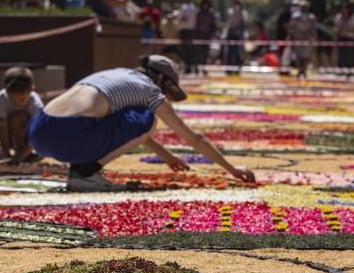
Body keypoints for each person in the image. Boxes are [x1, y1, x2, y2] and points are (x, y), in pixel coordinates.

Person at [27, 55, 256, 192]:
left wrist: (166, 156)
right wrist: (233, 170)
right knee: (148, 119)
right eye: (167, 91)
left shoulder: (118, 74)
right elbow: (192, 138)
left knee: (136, 120)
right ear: (161, 81)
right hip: (70, 135)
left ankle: (82, 170)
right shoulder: (149, 89)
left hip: (39, 131)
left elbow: (129, 131)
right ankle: (85, 173)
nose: (164, 96)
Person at [0, 66, 42, 163]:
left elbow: (39, 132)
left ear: (32, 90)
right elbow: (0, 125)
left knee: (19, 116)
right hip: (10, 136)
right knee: (4, 121)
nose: (17, 103)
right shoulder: (2, 97)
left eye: (22, 99)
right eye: (12, 100)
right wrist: (6, 154)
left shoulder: (35, 103)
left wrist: (20, 156)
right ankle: (15, 152)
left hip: (30, 139)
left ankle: (24, 153)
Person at [288, 0, 317, 79]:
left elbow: (313, 29)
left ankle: (304, 70)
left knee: (306, 56)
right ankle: (299, 70)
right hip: (298, 38)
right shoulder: (295, 16)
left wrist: (313, 38)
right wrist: (291, 37)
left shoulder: (311, 17)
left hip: (307, 39)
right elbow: (292, 28)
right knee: (298, 55)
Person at [176, 0, 197, 73]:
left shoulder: (184, 7)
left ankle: (187, 68)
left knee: (185, 50)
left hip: (184, 30)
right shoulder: (194, 7)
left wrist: (178, 20)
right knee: (191, 50)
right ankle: (191, 68)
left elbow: (183, 18)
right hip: (192, 30)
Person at [225, 0, 248, 69]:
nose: (237, 5)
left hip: (239, 35)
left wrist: (240, 13)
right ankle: (228, 68)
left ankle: (238, 68)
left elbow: (245, 22)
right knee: (230, 51)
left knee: (239, 52)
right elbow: (228, 22)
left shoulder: (243, 12)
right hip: (231, 34)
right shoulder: (230, 11)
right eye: (236, 3)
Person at [334, 4, 354, 68]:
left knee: (348, 53)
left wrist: (349, 30)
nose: (344, 10)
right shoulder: (338, 17)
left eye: (345, 9)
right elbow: (335, 28)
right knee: (340, 53)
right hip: (341, 37)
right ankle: (340, 67)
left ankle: (348, 67)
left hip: (349, 37)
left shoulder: (353, 17)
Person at [194, 0, 216, 70]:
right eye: (204, 4)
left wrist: (212, 33)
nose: (205, 6)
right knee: (198, 52)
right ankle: (196, 68)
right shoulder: (198, 13)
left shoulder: (211, 14)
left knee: (205, 53)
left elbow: (213, 25)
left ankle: (204, 68)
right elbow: (196, 24)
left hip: (207, 36)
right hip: (199, 36)